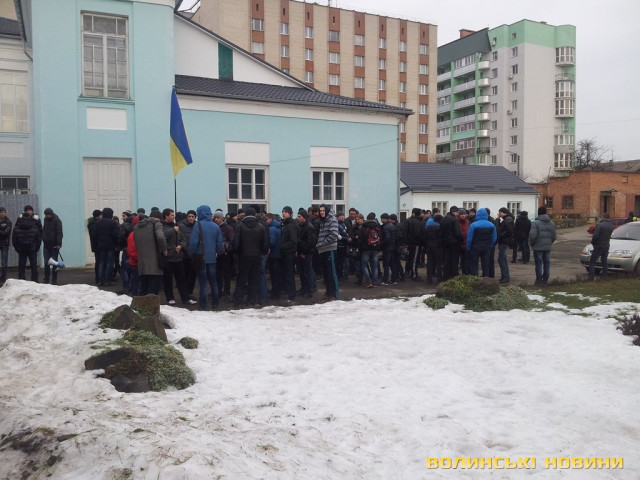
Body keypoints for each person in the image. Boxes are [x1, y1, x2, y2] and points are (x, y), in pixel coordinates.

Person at [188, 205, 223, 310]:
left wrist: (192, 253)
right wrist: (214, 252)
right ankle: (215, 303)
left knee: (203, 282)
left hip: (200, 257)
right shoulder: (216, 226)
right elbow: (219, 244)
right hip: (212, 258)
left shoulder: (197, 225)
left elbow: (193, 243)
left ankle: (203, 304)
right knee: (213, 281)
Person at [232, 206, 268, 307]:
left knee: (241, 279)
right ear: (255, 214)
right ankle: (253, 300)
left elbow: (236, 243)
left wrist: (237, 253)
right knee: (254, 279)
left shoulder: (240, 226)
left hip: (243, 256)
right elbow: (265, 244)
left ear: (245, 215)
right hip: (256, 256)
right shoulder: (261, 227)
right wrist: (262, 252)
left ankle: (238, 301)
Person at [161, 208, 196, 306]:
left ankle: (186, 298)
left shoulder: (176, 226)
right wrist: (173, 230)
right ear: (166, 216)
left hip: (178, 257)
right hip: (168, 257)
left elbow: (183, 238)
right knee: (168, 280)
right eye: (172, 215)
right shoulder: (161, 226)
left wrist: (181, 246)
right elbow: (162, 237)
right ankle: (170, 298)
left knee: (181, 279)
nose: (174, 217)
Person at [134, 210, 167, 295]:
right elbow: (160, 237)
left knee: (143, 288)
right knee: (153, 289)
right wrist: (164, 249)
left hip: (142, 262)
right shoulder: (156, 224)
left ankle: (141, 303)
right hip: (154, 262)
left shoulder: (137, 226)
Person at [12, 205, 42, 282]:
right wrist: (36, 247)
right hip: (32, 248)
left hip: (22, 248)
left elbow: (14, 238)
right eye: (27, 210)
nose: (28, 211)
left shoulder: (19, 223)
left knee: (21, 266)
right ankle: (34, 281)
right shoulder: (34, 225)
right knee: (34, 266)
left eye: (30, 210)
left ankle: (21, 281)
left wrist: (18, 248)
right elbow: (39, 236)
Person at [316, 203, 340, 300]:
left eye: (323, 210)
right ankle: (328, 292)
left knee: (331, 273)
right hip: (322, 250)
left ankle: (335, 294)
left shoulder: (332, 219)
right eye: (320, 211)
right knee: (325, 273)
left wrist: (322, 243)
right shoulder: (322, 220)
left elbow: (333, 234)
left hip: (330, 249)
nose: (322, 212)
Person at [529, 206, 557, 285]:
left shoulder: (535, 223)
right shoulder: (551, 223)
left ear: (538, 213)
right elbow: (554, 236)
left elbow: (532, 236)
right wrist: (549, 242)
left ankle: (539, 280)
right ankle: (545, 280)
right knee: (547, 263)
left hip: (538, 247)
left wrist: (532, 244)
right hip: (547, 247)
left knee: (539, 263)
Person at [466, 208, 497, 277]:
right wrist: (490, 245)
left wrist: (468, 247)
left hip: (475, 247)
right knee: (485, 263)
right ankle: (486, 277)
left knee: (474, 263)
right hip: (486, 247)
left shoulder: (473, 225)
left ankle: (474, 277)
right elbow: (494, 238)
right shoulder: (491, 225)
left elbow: (469, 238)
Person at [213, 211, 235, 301]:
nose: (216, 219)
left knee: (226, 275)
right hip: (215, 254)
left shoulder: (228, 228)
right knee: (217, 274)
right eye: (215, 217)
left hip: (225, 254)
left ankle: (226, 292)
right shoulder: (214, 227)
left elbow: (232, 241)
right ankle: (218, 291)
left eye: (218, 217)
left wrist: (226, 249)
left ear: (222, 218)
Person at [95, 207, 119, 287]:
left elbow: (95, 234)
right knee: (109, 263)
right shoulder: (113, 223)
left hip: (101, 245)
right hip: (110, 245)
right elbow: (115, 235)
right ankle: (107, 280)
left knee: (101, 262)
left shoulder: (98, 223)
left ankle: (100, 280)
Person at [296, 209, 317, 298]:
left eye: (299, 217)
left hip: (307, 253)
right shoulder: (300, 226)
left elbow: (310, 243)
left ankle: (310, 290)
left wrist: (304, 252)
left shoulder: (309, 227)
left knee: (308, 271)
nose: (298, 218)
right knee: (302, 272)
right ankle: (304, 288)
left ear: (304, 217)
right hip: (301, 252)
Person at [280, 206, 298, 302]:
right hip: (286, 252)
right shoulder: (286, 224)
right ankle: (289, 291)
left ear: (290, 214)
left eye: (286, 212)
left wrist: (282, 246)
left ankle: (292, 294)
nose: (283, 213)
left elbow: (293, 240)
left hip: (289, 253)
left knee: (289, 274)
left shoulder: (291, 225)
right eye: (283, 212)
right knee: (287, 273)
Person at [440, 206, 463, 280]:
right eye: (457, 212)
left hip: (445, 242)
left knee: (447, 259)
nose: (458, 214)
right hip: (454, 243)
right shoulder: (454, 220)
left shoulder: (443, 219)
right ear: (453, 212)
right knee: (454, 260)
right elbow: (457, 233)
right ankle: (454, 275)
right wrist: (461, 239)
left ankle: (445, 276)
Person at [588, 214, 614, 281]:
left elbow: (595, 236)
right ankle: (604, 275)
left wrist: (593, 243)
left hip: (599, 245)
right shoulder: (611, 225)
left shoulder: (600, 225)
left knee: (592, 261)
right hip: (606, 245)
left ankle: (591, 277)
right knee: (604, 261)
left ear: (603, 217)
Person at [359, 212, 381, 287]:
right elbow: (381, 237)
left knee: (364, 265)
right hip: (375, 248)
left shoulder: (364, 227)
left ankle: (368, 281)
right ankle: (375, 282)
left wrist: (360, 247)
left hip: (366, 249)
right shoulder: (377, 227)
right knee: (375, 266)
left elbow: (360, 239)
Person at [42, 207, 63, 285]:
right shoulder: (45, 219)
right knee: (46, 262)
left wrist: (59, 243)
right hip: (46, 244)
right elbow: (44, 230)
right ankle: (46, 279)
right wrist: (43, 237)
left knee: (54, 263)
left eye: (48, 215)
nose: (47, 216)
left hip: (54, 245)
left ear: (51, 214)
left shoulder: (57, 220)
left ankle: (54, 279)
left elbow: (59, 232)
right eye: (46, 215)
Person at [402, 208, 424, 280]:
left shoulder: (407, 221)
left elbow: (404, 232)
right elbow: (417, 234)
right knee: (414, 259)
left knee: (409, 258)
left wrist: (405, 242)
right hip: (415, 243)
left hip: (409, 243)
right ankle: (414, 275)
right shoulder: (417, 222)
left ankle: (408, 271)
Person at [496, 207, 515, 283]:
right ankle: (505, 276)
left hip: (504, 241)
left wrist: (501, 235)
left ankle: (505, 277)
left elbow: (509, 231)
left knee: (501, 259)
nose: (499, 214)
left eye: (500, 213)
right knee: (502, 259)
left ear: (504, 213)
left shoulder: (508, 220)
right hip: (504, 241)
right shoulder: (507, 219)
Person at [266, 213, 282, 299]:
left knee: (274, 274)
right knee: (277, 274)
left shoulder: (271, 229)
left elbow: (272, 242)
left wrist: (266, 247)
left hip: (273, 254)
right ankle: (277, 290)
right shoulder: (278, 227)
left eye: (266, 219)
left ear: (270, 219)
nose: (266, 221)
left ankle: (275, 293)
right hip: (278, 253)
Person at [424, 214, 443, 284]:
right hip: (438, 247)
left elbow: (425, 237)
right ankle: (439, 278)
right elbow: (441, 238)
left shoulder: (428, 227)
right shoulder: (440, 227)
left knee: (430, 263)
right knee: (439, 263)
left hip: (429, 247)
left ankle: (429, 278)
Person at [87, 209, 102, 285]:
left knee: (98, 261)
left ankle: (98, 278)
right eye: (101, 215)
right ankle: (99, 278)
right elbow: (96, 235)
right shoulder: (96, 224)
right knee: (99, 262)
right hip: (98, 245)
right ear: (98, 216)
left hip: (95, 245)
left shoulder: (91, 224)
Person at [0, 207, 13, 283]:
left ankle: (3, 278)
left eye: (4, 212)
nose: (3, 213)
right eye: (1, 212)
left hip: (4, 244)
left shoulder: (8, 221)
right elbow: (3, 232)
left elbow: (6, 233)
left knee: (4, 262)